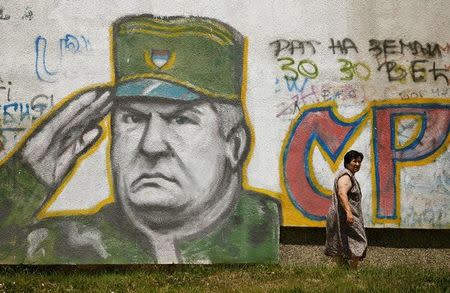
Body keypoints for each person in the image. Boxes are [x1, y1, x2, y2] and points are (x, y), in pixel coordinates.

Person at [0, 15, 280, 264]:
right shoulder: (65, 245)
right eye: (133, 118)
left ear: (234, 145)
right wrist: (23, 182)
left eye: (181, 119)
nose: (151, 145)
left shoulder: (264, 229)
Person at [324, 150, 367, 269]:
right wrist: (349, 212)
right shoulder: (346, 176)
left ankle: (341, 270)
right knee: (359, 241)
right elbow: (342, 193)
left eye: (359, 162)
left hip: (341, 215)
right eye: (355, 161)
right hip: (345, 215)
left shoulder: (348, 175)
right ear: (348, 162)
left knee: (340, 241)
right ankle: (353, 270)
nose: (358, 164)